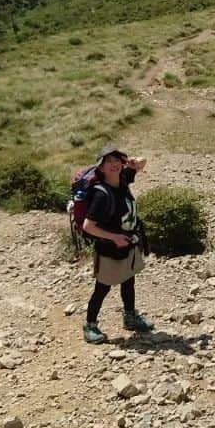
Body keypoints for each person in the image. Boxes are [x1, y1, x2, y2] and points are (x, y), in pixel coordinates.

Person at [81, 146, 152, 344]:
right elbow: (89, 226)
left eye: (117, 160)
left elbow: (143, 162)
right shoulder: (101, 194)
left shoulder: (122, 181)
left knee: (129, 281)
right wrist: (114, 238)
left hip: (128, 244)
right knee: (102, 288)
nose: (113, 164)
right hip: (109, 250)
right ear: (101, 168)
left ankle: (130, 317)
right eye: (108, 161)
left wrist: (134, 162)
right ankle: (90, 325)